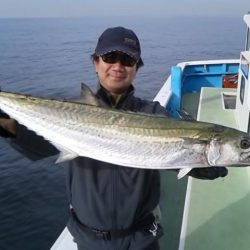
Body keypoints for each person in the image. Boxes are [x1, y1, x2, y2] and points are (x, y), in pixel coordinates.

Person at [0, 26, 227, 250]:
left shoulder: (155, 113)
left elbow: (167, 154)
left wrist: (195, 164)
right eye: (110, 57)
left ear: (137, 68)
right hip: (89, 240)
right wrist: (5, 124)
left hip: (142, 237)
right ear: (96, 63)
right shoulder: (67, 110)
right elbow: (39, 145)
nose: (118, 66)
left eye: (128, 60)